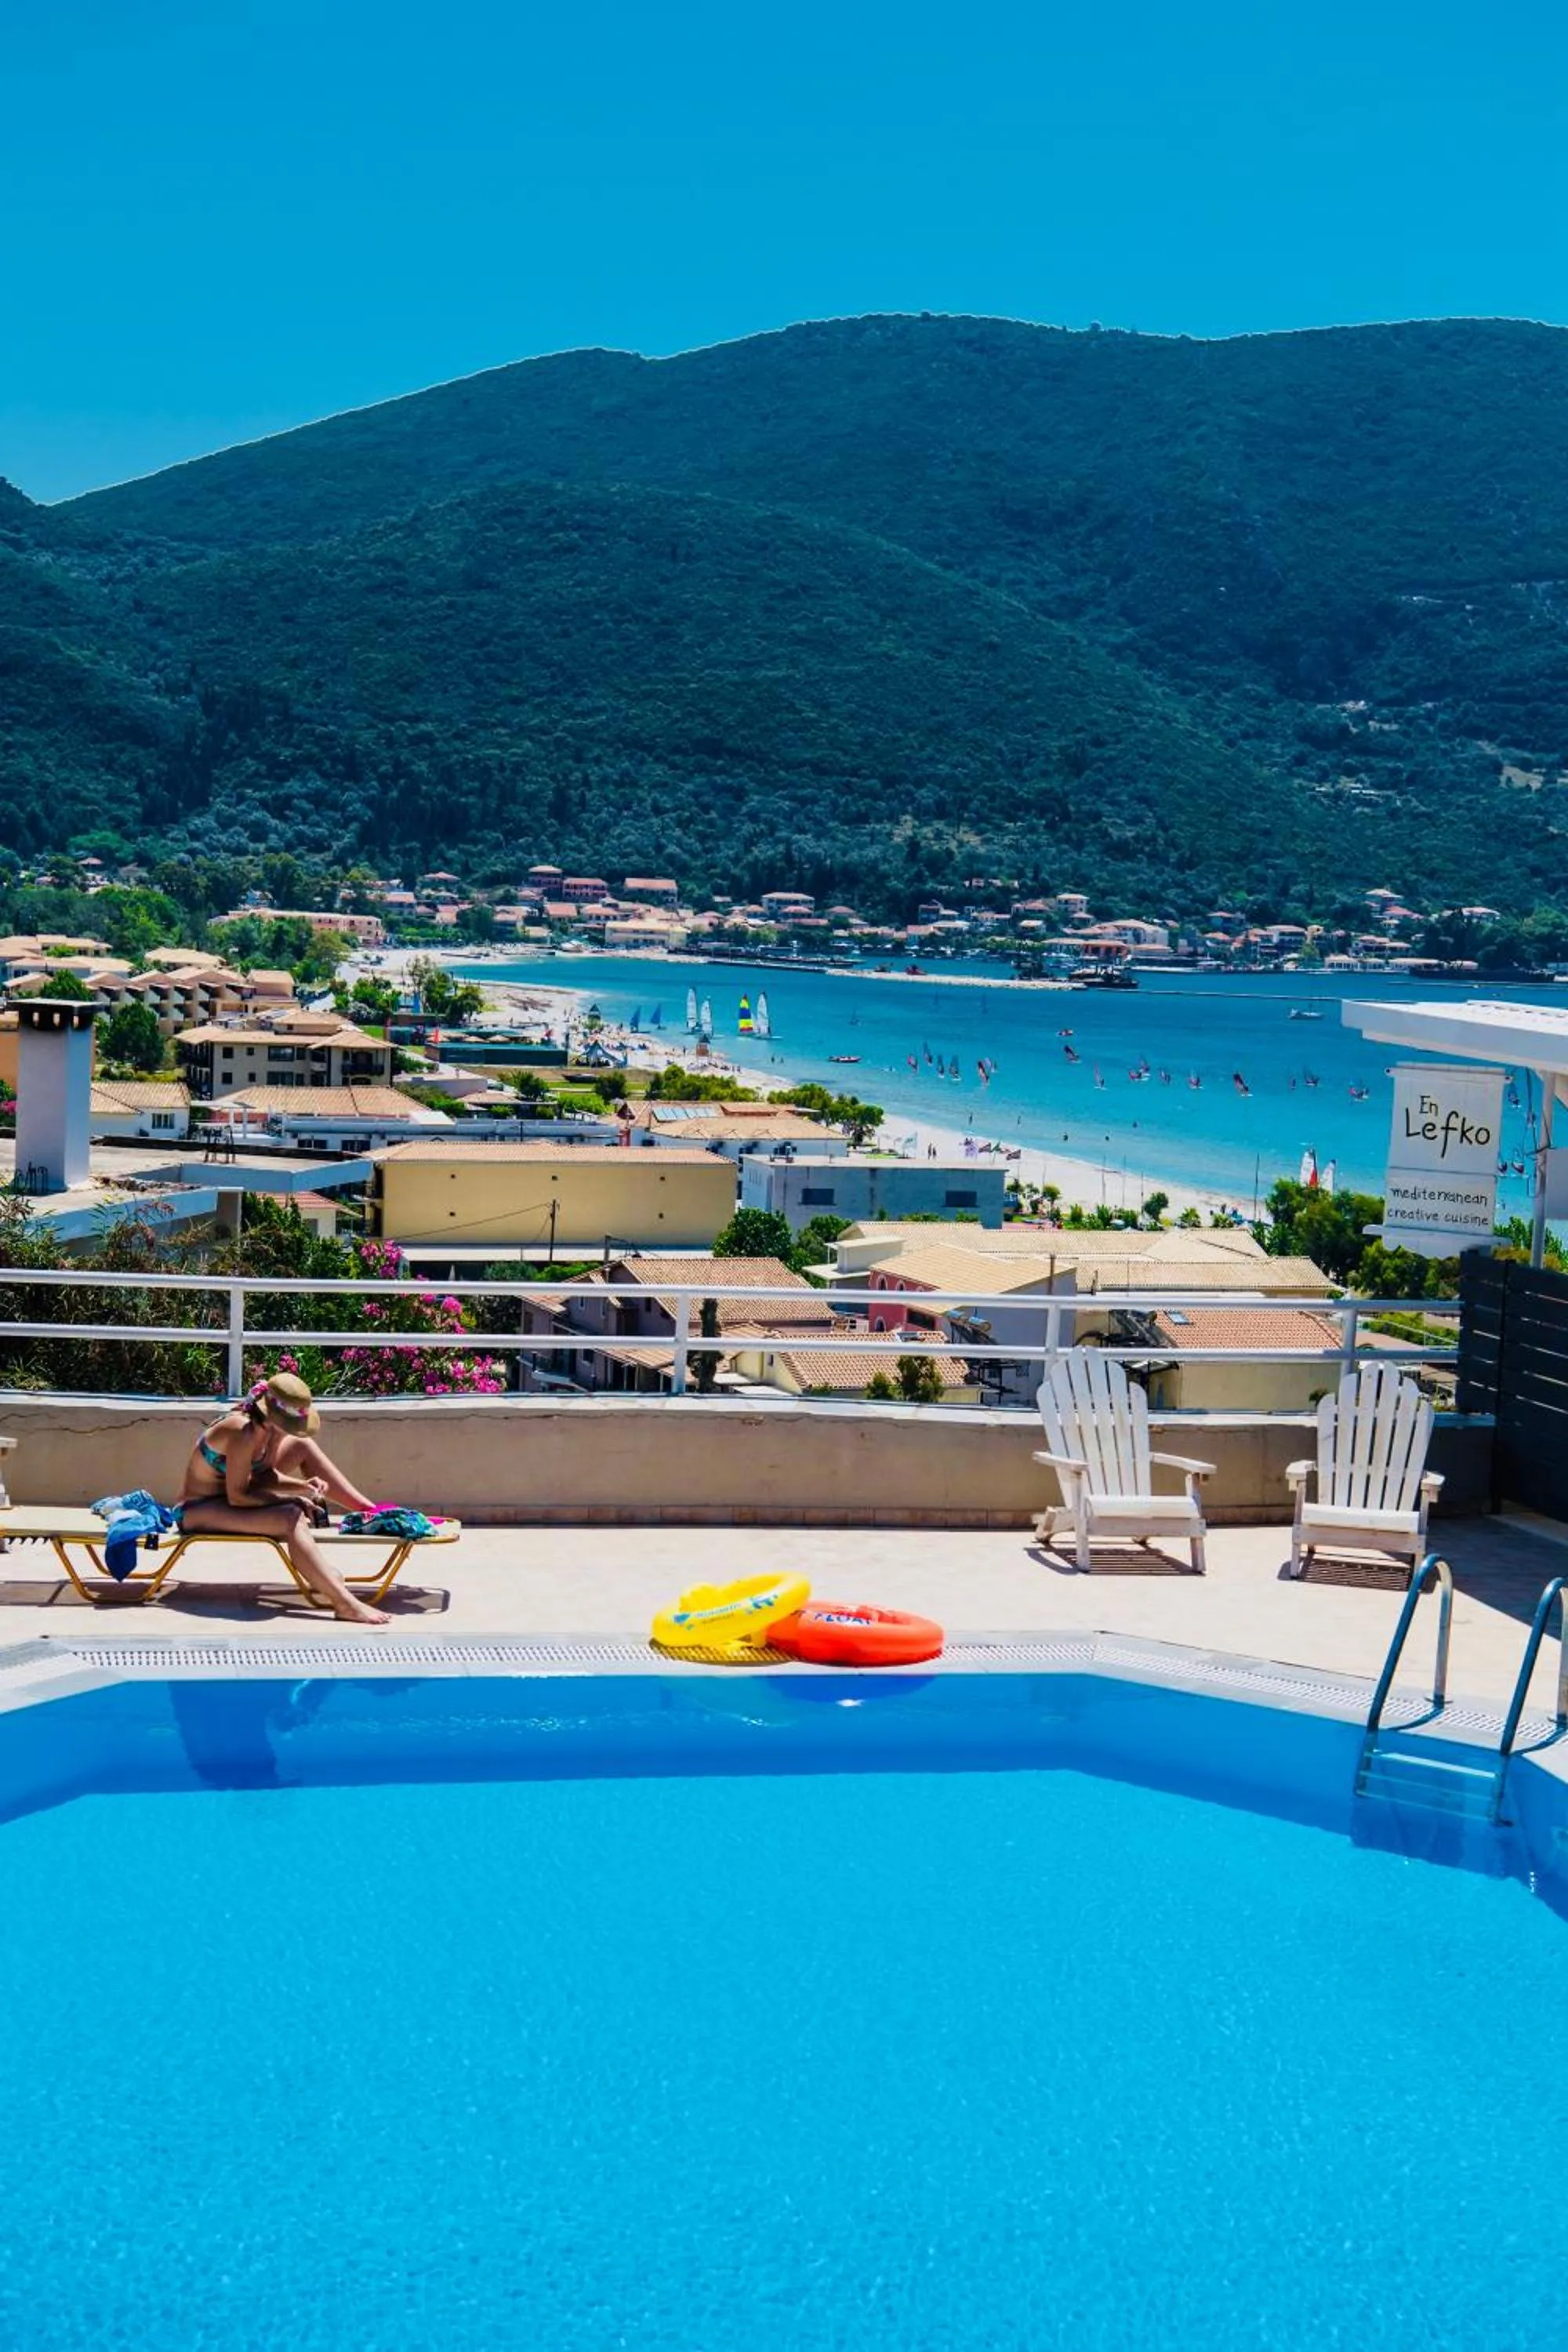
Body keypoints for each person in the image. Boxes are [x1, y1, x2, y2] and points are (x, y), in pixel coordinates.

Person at [180, 1372, 389, 1625]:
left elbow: (264, 1475)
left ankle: (370, 1512)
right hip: (199, 1509)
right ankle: (344, 1603)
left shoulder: (271, 1430)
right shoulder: (243, 1432)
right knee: (291, 1517)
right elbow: (238, 1497)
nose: (294, 1429)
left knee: (302, 1447)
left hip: (229, 1497)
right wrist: (288, 1501)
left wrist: (303, 1486)